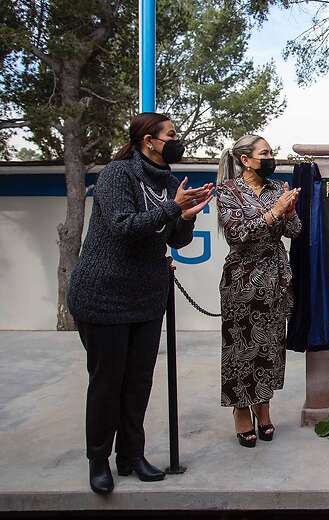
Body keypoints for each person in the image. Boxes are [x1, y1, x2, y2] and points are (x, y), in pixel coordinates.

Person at [68, 112, 212, 495]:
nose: (177, 140)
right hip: (104, 295)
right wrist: (172, 208)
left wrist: (186, 216)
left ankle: (131, 455)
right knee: (107, 382)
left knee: (137, 383)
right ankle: (98, 459)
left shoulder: (168, 183)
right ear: (149, 141)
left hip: (146, 297)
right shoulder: (118, 175)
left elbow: (175, 240)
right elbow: (123, 226)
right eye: (171, 135)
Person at [216, 134, 301, 448]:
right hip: (242, 279)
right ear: (245, 160)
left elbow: (295, 232)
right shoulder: (227, 191)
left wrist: (289, 212)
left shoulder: (279, 188)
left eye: (271, 153)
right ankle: (241, 411)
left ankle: (262, 407)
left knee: (269, 347)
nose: (270, 157)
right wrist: (275, 212)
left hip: (277, 279)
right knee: (240, 349)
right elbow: (237, 235)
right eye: (264, 153)